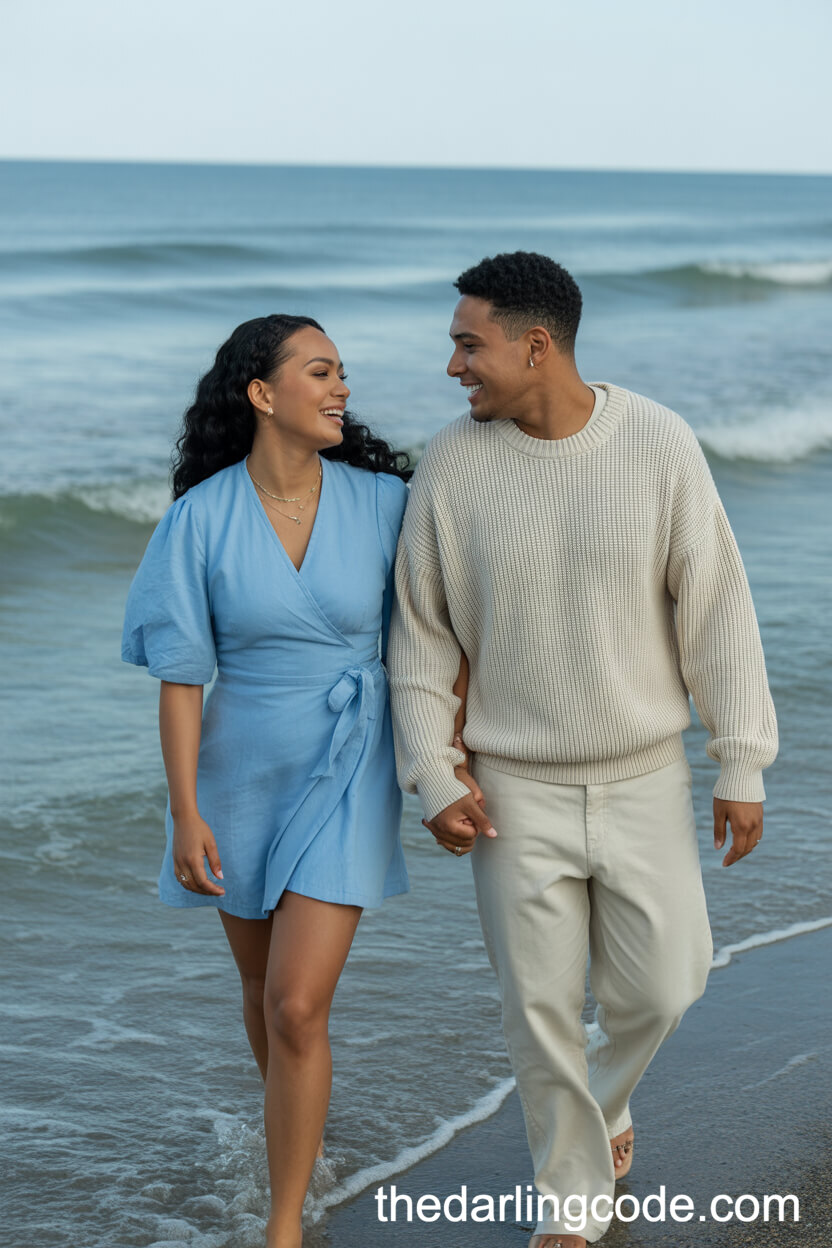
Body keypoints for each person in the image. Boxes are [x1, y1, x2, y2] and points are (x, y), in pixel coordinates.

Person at [387, 252, 778, 1247]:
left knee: (666, 985)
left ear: (536, 343)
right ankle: (569, 1202)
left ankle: (603, 1103)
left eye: (467, 345)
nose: (453, 367)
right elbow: (420, 638)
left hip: (643, 774)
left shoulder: (656, 440)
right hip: (513, 790)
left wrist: (741, 760)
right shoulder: (450, 463)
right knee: (540, 1010)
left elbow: (715, 608)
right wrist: (433, 771)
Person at [121, 314, 416, 1248]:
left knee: (296, 1002)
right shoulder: (198, 519)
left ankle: (283, 1225)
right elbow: (181, 681)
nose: (340, 390)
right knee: (261, 992)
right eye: (321, 372)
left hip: (349, 760)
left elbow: (448, 626)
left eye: (341, 376)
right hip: (241, 769)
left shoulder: (385, 502)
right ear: (262, 393)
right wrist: (185, 813)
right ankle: (299, 1133)